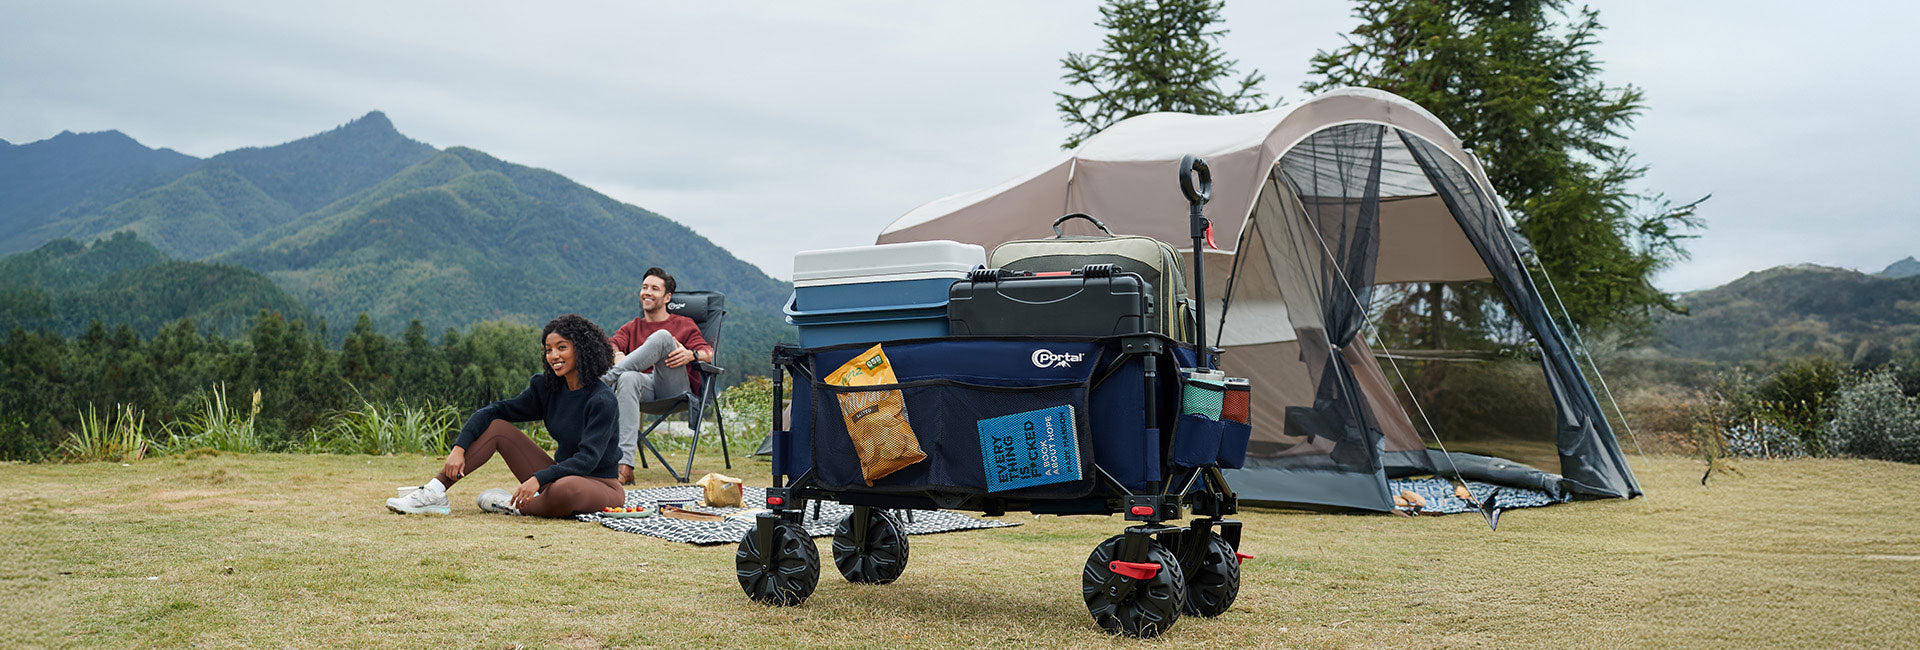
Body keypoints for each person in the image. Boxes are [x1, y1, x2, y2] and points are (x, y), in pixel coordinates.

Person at [386, 314, 625, 517]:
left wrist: (538, 479)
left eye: (562, 347)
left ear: (582, 350)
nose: (554, 356)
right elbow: (494, 410)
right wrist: (459, 448)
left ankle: (511, 506)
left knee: (567, 489)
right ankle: (434, 491)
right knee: (499, 428)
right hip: (559, 475)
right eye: (548, 350)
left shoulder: (601, 400)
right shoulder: (547, 389)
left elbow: (587, 460)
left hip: (599, 484)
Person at [602, 267, 713, 484]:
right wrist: (616, 354)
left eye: (654, 288)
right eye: (644, 287)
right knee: (627, 378)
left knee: (662, 337)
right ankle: (624, 466)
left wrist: (691, 354)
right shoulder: (631, 327)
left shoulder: (683, 324)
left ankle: (604, 381)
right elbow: (611, 343)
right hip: (643, 389)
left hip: (674, 387)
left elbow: (709, 353)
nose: (647, 292)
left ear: (667, 297)